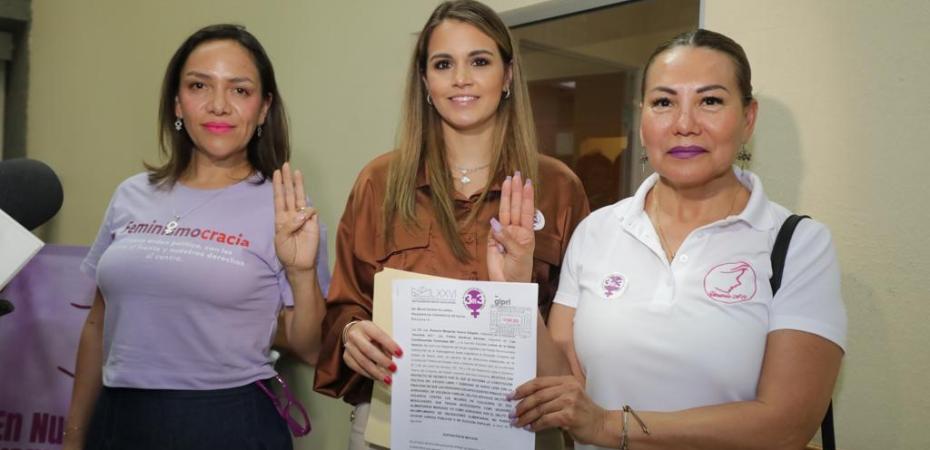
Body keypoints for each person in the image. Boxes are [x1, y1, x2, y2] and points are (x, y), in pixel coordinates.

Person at [510, 29, 847, 450]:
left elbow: (787, 425)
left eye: (710, 101)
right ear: (642, 120)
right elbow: (563, 388)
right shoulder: (597, 230)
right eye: (664, 103)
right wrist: (515, 287)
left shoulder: (798, 244)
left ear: (748, 118)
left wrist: (610, 427)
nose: (685, 125)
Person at [312, 1, 589, 448]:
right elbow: (344, 304)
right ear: (425, 81)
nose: (461, 78)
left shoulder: (558, 187)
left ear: (508, 75)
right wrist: (351, 333)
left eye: (479, 61)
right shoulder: (379, 182)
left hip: (519, 427)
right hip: (393, 423)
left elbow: (575, 340)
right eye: (443, 64)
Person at [63, 24, 327, 450]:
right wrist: (74, 435)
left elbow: (311, 349)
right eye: (199, 86)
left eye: (240, 90)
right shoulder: (131, 194)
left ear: (264, 108)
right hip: (117, 418)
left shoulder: (285, 208)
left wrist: (301, 272)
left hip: (228, 422)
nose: (218, 105)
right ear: (177, 103)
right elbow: (97, 323)